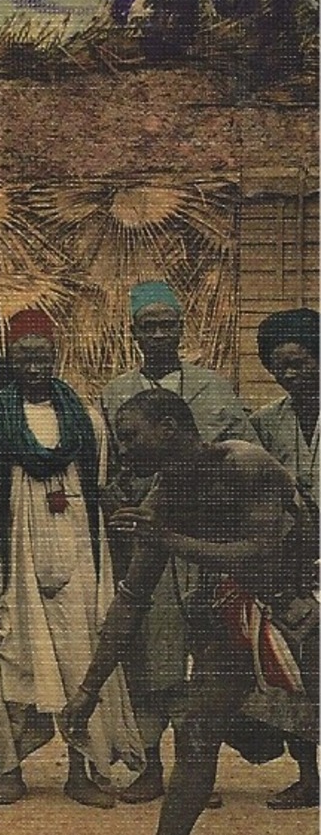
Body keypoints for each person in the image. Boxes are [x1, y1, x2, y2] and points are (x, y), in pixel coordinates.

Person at [62, 389, 317, 835]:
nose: (123, 448)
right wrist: (87, 692)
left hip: (305, 603)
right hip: (239, 613)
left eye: (131, 436)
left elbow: (263, 552)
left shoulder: (242, 462)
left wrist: (171, 540)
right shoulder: (163, 498)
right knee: (195, 733)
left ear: (170, 427)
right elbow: (130, 601)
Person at [0, 309, 144, 806]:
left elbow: (100, 484)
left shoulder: (85, 418)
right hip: (13, 555)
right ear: (10, 360)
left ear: (56, 356)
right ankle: (7, 767)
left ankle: (83, 771)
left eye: (43, 355)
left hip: (78, 553)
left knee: (81, 652)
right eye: (25, 356)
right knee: (11, 654)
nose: (35, 365)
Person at [98, 281, 258, 803]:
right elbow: (109, 469)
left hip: (205, 539)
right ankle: (150, 766)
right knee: (147, 652)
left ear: (181, 330)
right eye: (149, 327)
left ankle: (198, 769)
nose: (159, 335)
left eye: (168, 325)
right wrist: (119, 501)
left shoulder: (214, 389)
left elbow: (241, 454)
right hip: (145, 540)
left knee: (201, 653)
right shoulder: (115, 392)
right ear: (135, 333)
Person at [249, 308, 320, 809]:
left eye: (300, 363)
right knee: (298, 668)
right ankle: (308, 775)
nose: (291, 375)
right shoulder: (267, 422)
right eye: (281, 367)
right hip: (293, 561)